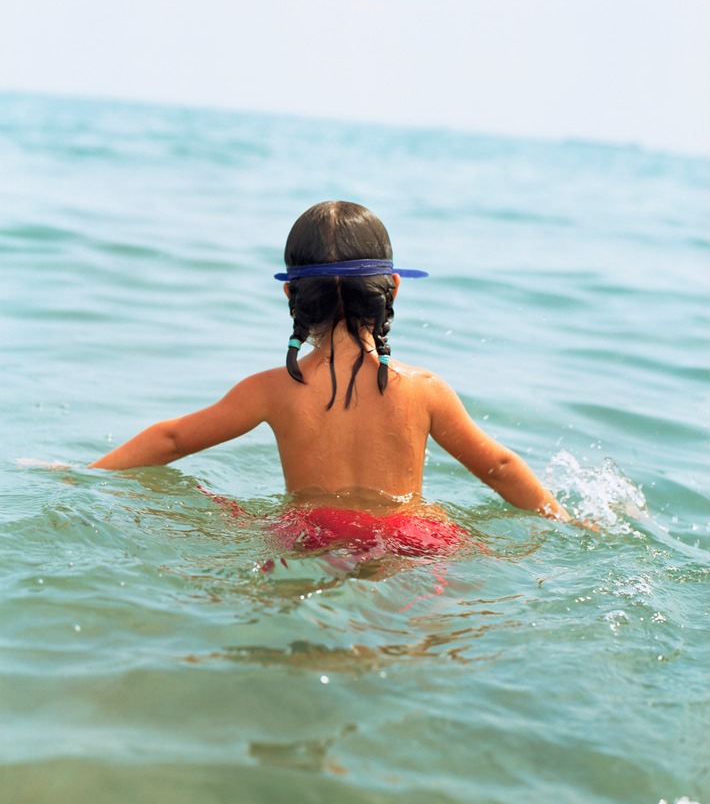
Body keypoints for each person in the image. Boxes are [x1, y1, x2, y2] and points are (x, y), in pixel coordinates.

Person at [90, 201, 571, 556]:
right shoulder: (425, 389)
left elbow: (172, 439)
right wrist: (567, 520)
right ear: (393, 288)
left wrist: (83, 475)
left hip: (312, 531)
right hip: (411, 536)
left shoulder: (270, 390)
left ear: (292, 295)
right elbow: (499, 468)